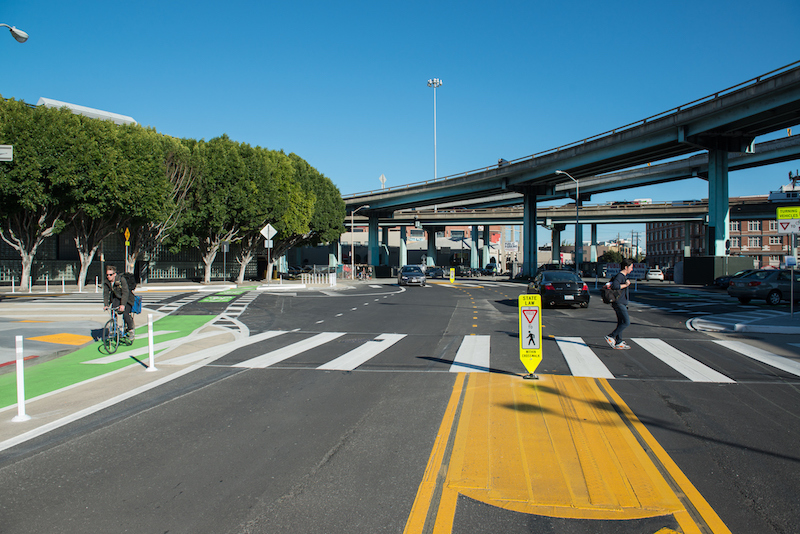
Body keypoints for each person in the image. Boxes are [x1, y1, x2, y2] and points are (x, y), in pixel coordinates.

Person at [605, 259, 634, 350]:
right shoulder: (620, 276)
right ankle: (611, 336)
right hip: (619, 303)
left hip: (620, 302)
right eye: (631, 267)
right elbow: (615, 286)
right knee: (626, 322)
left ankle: (619, 342)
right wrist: (626, 285)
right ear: (626, 267)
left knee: (621, 322)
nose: (632, 269)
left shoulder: (622, 276)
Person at [103, 265, 135, 337]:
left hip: (127, 299)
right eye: (107, 275)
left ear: (114, 274)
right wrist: (106, 305)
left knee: (125, 314)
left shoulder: (121, 279)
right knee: (113, 311)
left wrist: (123, 305)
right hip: (117, 298)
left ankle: (131, 330)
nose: (108, 276)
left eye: (110, 275)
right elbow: (105, 293)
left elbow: (125, 292)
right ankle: (115, 328)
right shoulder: (106, 282)